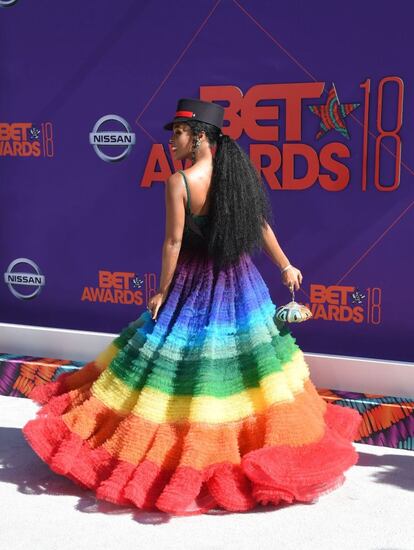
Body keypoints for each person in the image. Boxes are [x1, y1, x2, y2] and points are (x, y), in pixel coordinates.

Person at [22, 98, 362, 517]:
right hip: (241, 284)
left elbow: (173, 243)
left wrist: (163, 290)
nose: (171, 142)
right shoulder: (235, 176)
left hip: (193, 283)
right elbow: (260, 225)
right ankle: (241, 445)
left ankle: (192, 448)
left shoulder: (179, 182)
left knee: (182, 366)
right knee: (247, 371)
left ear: (200, 135)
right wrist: (286, 264)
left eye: (177, 134)